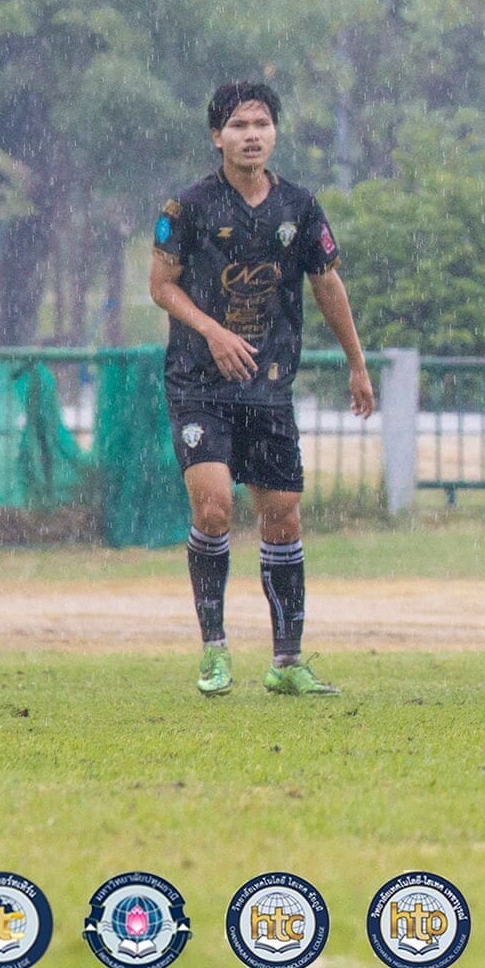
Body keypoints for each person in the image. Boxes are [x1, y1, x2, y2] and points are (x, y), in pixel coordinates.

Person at [149, 81, 375, 698]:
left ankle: (287, 661)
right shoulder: (187, 207)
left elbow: (327, 284)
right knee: (213, 506)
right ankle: (214, 651)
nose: (252, 135)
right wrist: (212, 331)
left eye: (262, 124)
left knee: (282, 516)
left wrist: (357, 364)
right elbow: (161, 286)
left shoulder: (300, 208)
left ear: (275, 133)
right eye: (239, 125)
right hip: (199, 383)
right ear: (216, 136)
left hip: (269, 385)